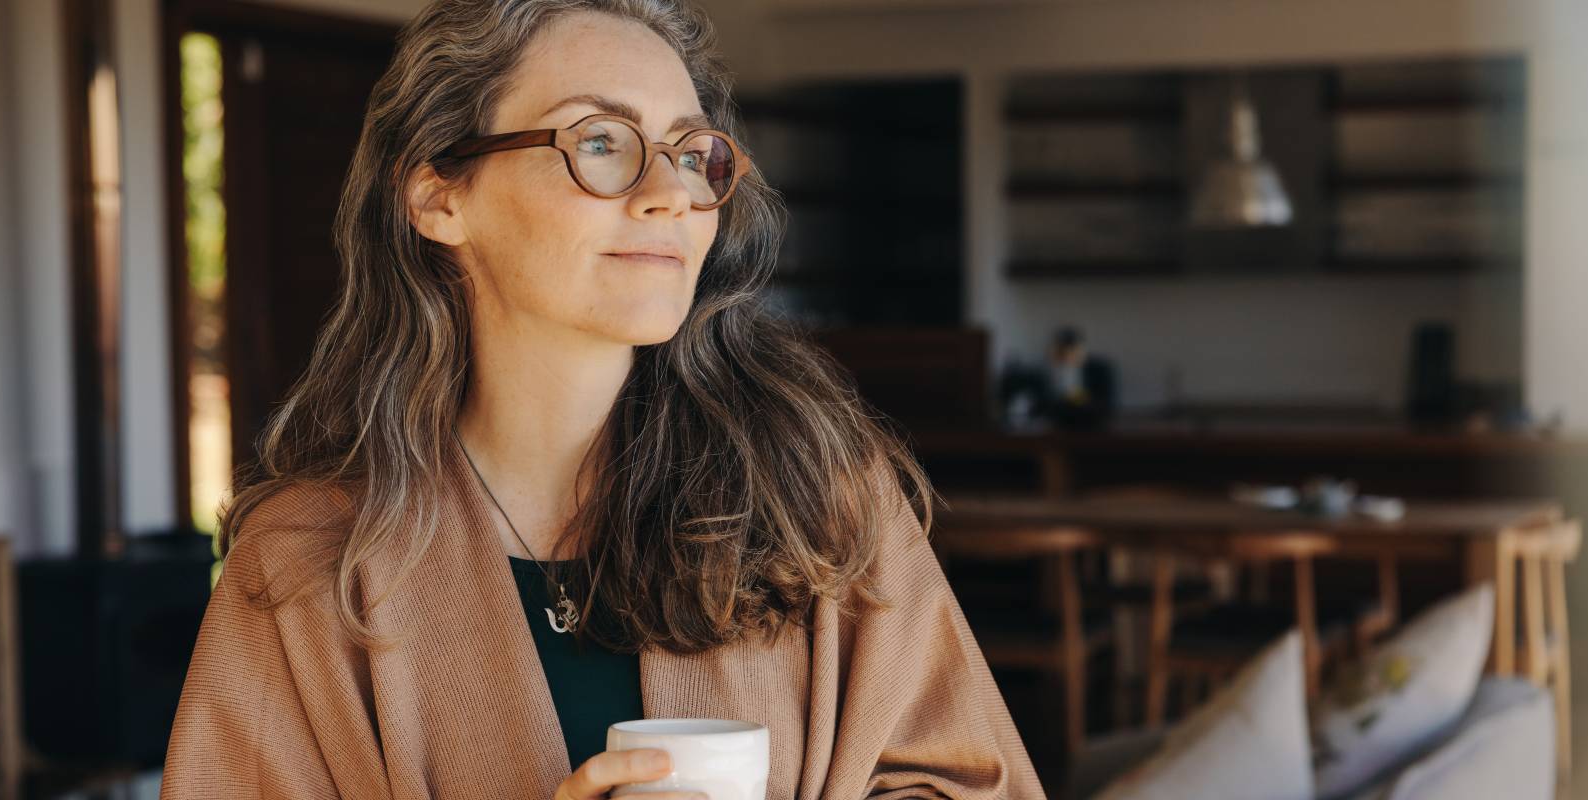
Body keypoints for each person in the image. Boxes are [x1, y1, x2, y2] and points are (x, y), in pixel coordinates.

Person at [159, 1, 1044, 798]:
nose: (671, 196)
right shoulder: (307, 558)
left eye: (692, 155)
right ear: (437, 195)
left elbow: (969, 783)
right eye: (598, 143)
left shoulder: (818, 495)